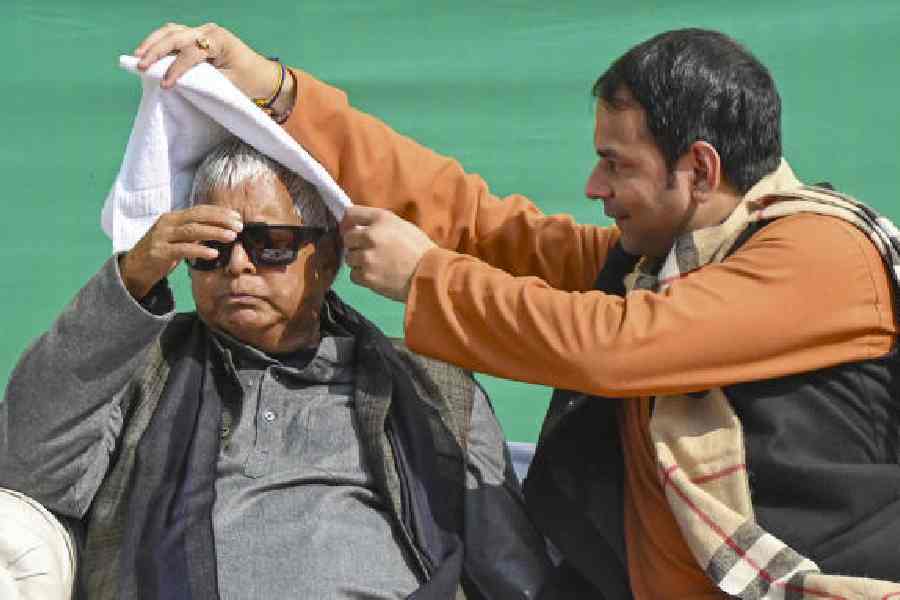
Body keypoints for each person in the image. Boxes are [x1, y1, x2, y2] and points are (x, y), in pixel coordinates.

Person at [132, 24, 900, 598]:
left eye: (616, 163)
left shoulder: (823, 255)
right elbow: (478, 225)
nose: (595, 186)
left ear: (699, 168)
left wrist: (427, 279)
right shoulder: (653, 265)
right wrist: (278, 92)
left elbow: (616, 348)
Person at [0, 137, 550, 599]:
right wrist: (131, 282)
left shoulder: (432, 384)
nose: (238, 263)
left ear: (328, 256)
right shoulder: (144, 363)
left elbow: (509, 567)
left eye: (270, 244)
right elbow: (26, 465)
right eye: (211, 247)